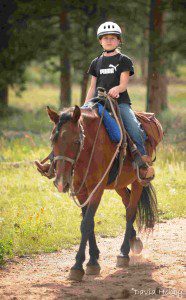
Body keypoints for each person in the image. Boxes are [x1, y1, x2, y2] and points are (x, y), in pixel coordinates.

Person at [36, 21, 154, 182]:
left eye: (113, 38)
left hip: (119, 103)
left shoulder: (124, 60)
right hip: (98, 103)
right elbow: (92, 87)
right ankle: (52, 164)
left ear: (119, 40)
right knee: (68, 130)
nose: (109, 41)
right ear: (100, 41)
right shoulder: (96, 62)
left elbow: (124, 83)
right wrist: (85, 106)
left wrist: (117, 89)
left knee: (133, 125)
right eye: (105, 38)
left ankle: (142, 161)